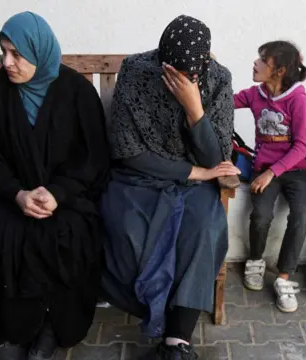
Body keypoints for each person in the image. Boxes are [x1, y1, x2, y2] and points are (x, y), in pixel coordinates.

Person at [0, 12, 110, 360]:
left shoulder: (76, 91)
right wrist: (18, 193)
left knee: (66, 233)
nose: (7, 62)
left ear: (39, 52)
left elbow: (93, 158)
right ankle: (12, 327)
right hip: (8, 196)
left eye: (16, 54)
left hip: (65, 197)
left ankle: (51, 326)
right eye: (3, 52)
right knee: (0, 233)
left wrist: (58, 193)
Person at [99, 15, 239, 360]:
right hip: (140, 179)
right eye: (171, 70)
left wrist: (195, 109)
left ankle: (178, 338)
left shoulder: (218, 80)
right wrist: (193, 171)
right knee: (130, 229)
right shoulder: (136, 71)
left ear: (205, 61)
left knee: (203, 228)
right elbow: (128, 151)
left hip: (195, 186)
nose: (178, 78)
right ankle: (152, 312)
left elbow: (217, 156)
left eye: (189, 73)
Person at [233, 41, 306, 313]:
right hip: (266, 168)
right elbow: (223, 101)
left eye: (261, 60)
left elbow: (302, 146)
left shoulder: (298, 99)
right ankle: (255, 260)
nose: (255, 64)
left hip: (296, 170)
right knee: (261, 215)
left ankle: (284, 276)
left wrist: (271, 172)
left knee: (301, 216)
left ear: (278, 70)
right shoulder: (255, 94)